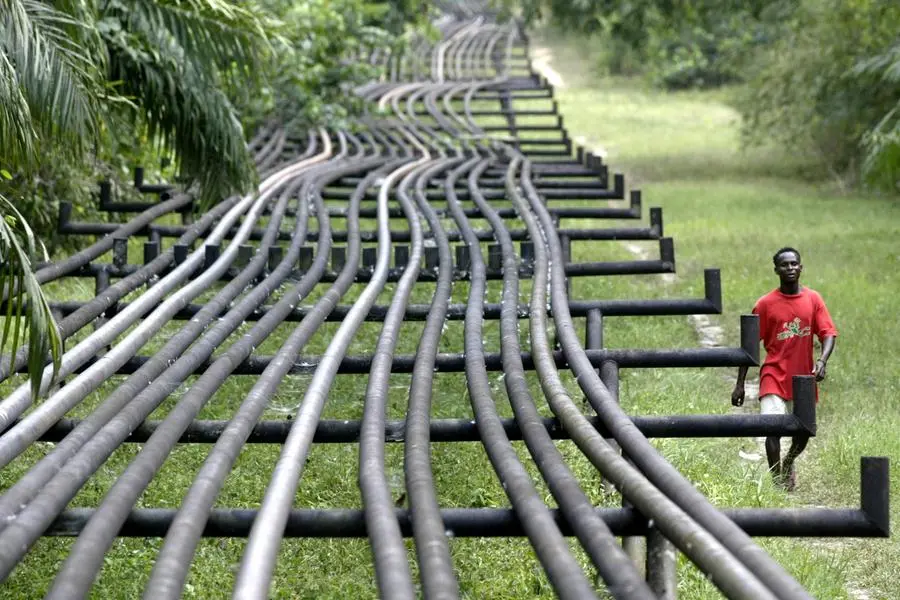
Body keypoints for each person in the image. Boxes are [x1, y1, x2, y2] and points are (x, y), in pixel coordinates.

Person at [731, 247, 837, 490]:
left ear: (801, 267)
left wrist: (821, 361)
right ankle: (777, 480)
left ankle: (788, 462)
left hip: (803, 377)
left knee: (805, 430)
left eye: (794, 264)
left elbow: (828, 333)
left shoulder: (813, 299)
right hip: (773, 375)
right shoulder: (765, 304)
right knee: (772, 428)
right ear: (776, 270)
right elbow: (748, 347)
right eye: (784, 265)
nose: (790, 268)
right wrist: (739, 385)